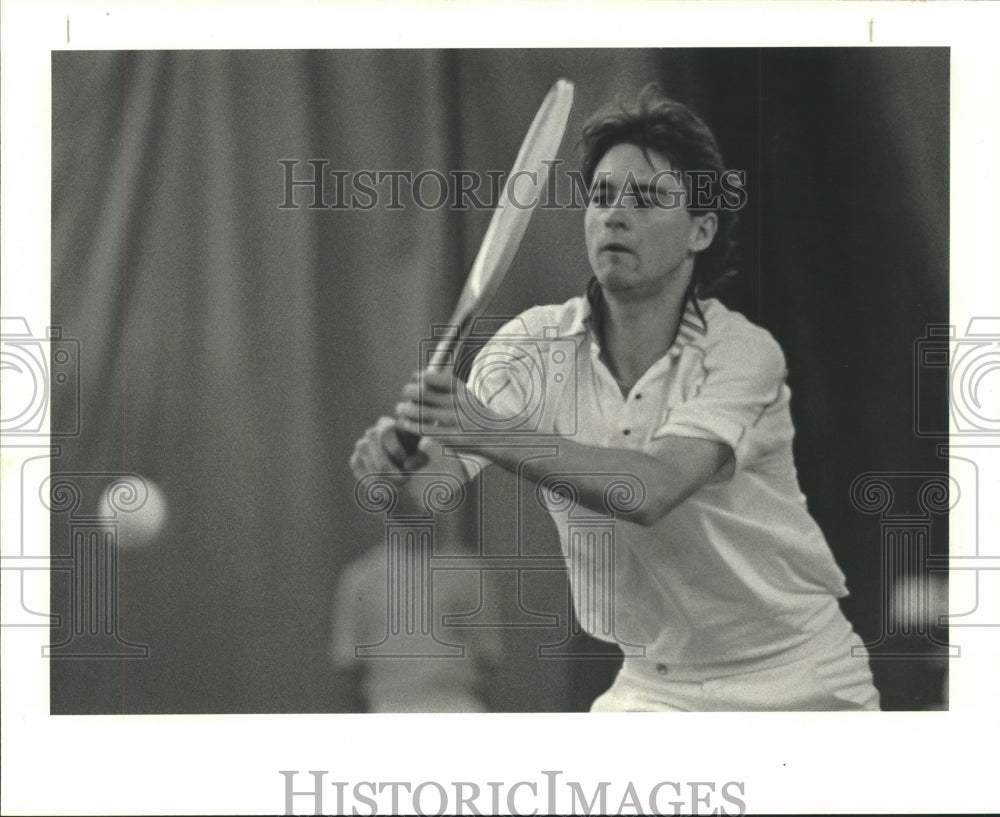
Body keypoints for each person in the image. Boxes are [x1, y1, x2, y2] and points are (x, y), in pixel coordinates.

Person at [350, 84, 880, 711]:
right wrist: (393, 471)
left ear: (701, 230)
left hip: (797, 676)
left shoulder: (742, 354)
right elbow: (432, 489)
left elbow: (650, 490)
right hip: (653, 686)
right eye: (601, 197)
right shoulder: (529, 346)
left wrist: (486, 429)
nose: (614, 215)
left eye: (648, 199)